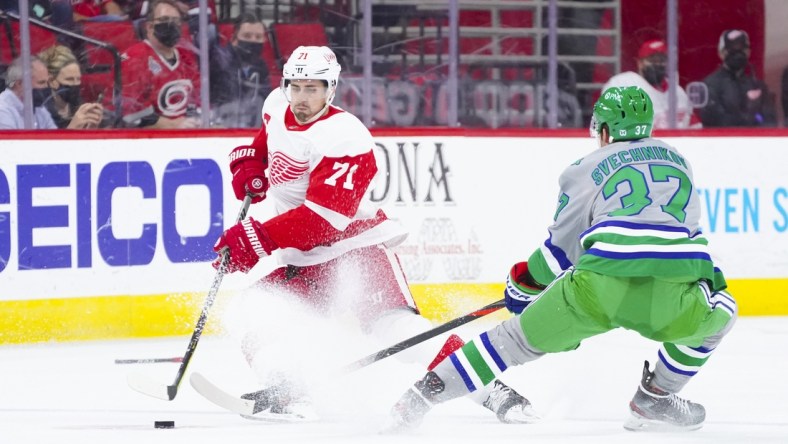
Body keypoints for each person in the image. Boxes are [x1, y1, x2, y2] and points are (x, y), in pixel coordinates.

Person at [210, 45, 536, 424]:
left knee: (398, 332)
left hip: (356, 250)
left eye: (312, 89)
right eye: (295, 87)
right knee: (247, 310)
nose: (301, 98)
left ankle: (493, 391)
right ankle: (286, 388)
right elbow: (269, 138)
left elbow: (322, 221)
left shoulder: (346, 137)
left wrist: (256, 238)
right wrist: (252, 163)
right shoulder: (276, 105)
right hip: (303, 260)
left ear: (330, 89)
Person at [388, 86, 738, 432]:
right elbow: (689, 239)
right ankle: (657, 395)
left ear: (604, 130)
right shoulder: (680, 163)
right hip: (669, 290)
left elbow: (559, 253)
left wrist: (523, 285)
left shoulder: (585, 167)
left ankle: (418, 399)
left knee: (507, 343)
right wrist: (708, 284)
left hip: (600, 287)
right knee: (723, 316)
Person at [118, 0, 200, 128]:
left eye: (175, 20)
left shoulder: (187, 56)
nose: (171, 25)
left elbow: (197, 98)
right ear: (149, 27)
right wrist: (172, 125)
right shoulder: (133, 58)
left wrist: (195, 121)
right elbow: (132, 114)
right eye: (164, 19)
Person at [603, 39, 700, 129]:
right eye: (652, 60)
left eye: (661, 60)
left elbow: (693, 125)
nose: (657, 64)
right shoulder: (623, 84)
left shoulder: (677, 91)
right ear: (639, 63)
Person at [700, 29, 776, 127]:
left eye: (742, 49)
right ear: (720, 53)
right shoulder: (710, 85)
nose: (737, 53)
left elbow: (768, 122)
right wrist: (750, 114)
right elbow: (716, 122)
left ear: (748, 52)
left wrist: (756, 116)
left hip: (754, 142)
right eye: (731, 50)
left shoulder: (757, 85)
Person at [209, 12, 272, 128]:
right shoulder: (219, 62)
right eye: (247, 36)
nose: (253, 41)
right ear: (234, 39)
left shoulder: (261, 66)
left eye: (258, 37)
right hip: (221, 130)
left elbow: (266, 102)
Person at [38, 45, 105, 129]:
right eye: (69, 79)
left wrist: (92, 126)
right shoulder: (41, 111)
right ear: (52, 81)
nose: (76, 84)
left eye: (78, 79)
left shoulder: (79, 105)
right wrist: (73, 127)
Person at [0, 56, 58, 129]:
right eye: (41, 82)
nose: (46, 87)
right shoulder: (2, 110)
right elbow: (11, 140)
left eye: (47, 82)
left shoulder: (38, 107)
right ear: (19, 84)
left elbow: (55, 137)